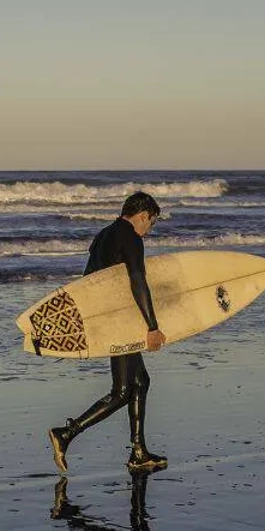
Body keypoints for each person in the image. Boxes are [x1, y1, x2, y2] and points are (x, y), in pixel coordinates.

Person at [48, 192, 168, 474]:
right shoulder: (131, 238)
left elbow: (88, 281)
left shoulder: (104, 235)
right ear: (143, 216)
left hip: (105, 317)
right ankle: (66, 433)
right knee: (122, 391)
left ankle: (138, 452)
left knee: (140, 381)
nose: (149, 230)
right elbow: (138, 280)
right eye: (151, 223)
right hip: (118, 321)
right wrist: (152, 326)